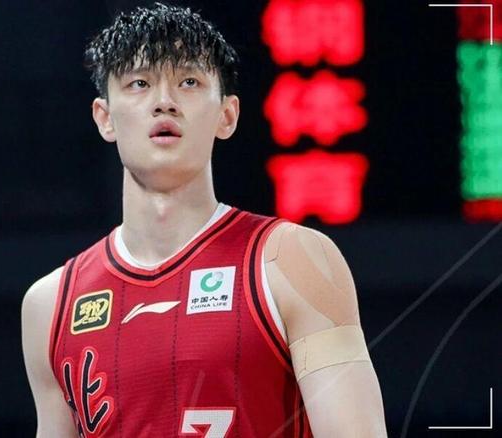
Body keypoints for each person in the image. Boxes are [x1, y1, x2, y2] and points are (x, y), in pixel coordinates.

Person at [21, 3, 387, 437]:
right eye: (139, 83)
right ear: (105, 118)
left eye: (189, 82)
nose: (164, 102)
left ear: (227, 116)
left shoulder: (291, 260)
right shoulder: (51, 305)